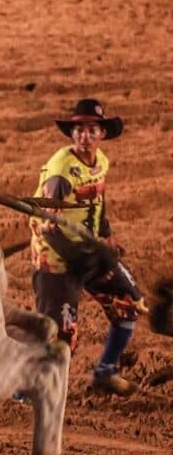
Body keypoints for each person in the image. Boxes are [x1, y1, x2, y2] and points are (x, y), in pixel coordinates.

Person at [29, 98, 146, 396]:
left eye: (92, 130)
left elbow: (98, 204)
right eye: (79, 130)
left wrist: (107, 236)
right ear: (72, 134)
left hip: (89, 252)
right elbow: (48, 226)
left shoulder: (100, 162)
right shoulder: (60, 172)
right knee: (62, 336)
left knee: (128, 303)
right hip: (55, 260)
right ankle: (26, 389)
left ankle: (106, 372)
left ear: (102, 134)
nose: (85, 136)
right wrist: (82, 260)